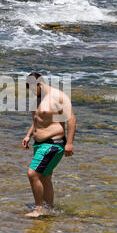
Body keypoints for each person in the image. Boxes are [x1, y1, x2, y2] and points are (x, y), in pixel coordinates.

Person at [22, 72, 76, 218]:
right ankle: (49, 209)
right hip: (39, 144)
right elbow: (37, 120)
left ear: (39, 84)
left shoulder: (58, 96)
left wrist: (69, 143)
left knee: (32, 173)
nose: (32, 92)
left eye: (33, 89)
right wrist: (28, 135)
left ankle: (39, 209)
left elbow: (71, 119)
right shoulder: (38, 99)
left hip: (53, 143)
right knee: (44, 177)